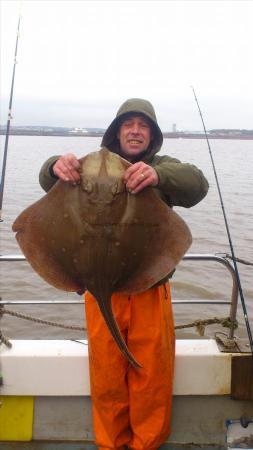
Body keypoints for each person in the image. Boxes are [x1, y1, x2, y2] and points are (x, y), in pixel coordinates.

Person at [39, 98, 209, 450]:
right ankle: (110, 445)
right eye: (128, 124)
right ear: (117, 131)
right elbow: (46, 178)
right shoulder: (85, 168)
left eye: (143, 125)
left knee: (152, 378)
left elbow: (197, 183)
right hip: (101, 295)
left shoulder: (160, 167)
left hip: (148, 289)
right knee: (107, 378)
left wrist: (158, 175)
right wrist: (56, 165)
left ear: (153, 135)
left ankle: (146, 445)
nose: (135, 130)